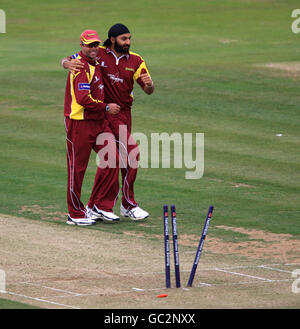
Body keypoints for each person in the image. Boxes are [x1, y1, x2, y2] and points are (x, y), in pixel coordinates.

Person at [61, 23, 155, 221]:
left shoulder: (137, 60)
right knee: (128, 155)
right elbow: (71, 59)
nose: (128, 42)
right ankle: (123, 204)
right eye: (124, 39)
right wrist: (66, 63)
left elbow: (147, 89)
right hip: (105, 115)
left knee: (115, 157)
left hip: (123, 114)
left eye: (129, 39)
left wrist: (149, 86)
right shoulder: (99, 53)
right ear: (112, 39)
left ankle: (99, 205)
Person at [64, 29, 121, 225]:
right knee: (77, 169)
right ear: (82, 46)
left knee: (112, 157)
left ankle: (98, 205)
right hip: (80, 122)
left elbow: (65, 59)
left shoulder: (92, 61)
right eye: (89, 45)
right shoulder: (80, 65)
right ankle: (75, 213)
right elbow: (82, 99)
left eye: (96, 44)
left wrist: (64, 62)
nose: (94, 48)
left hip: (99, 122)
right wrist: (106, 107)